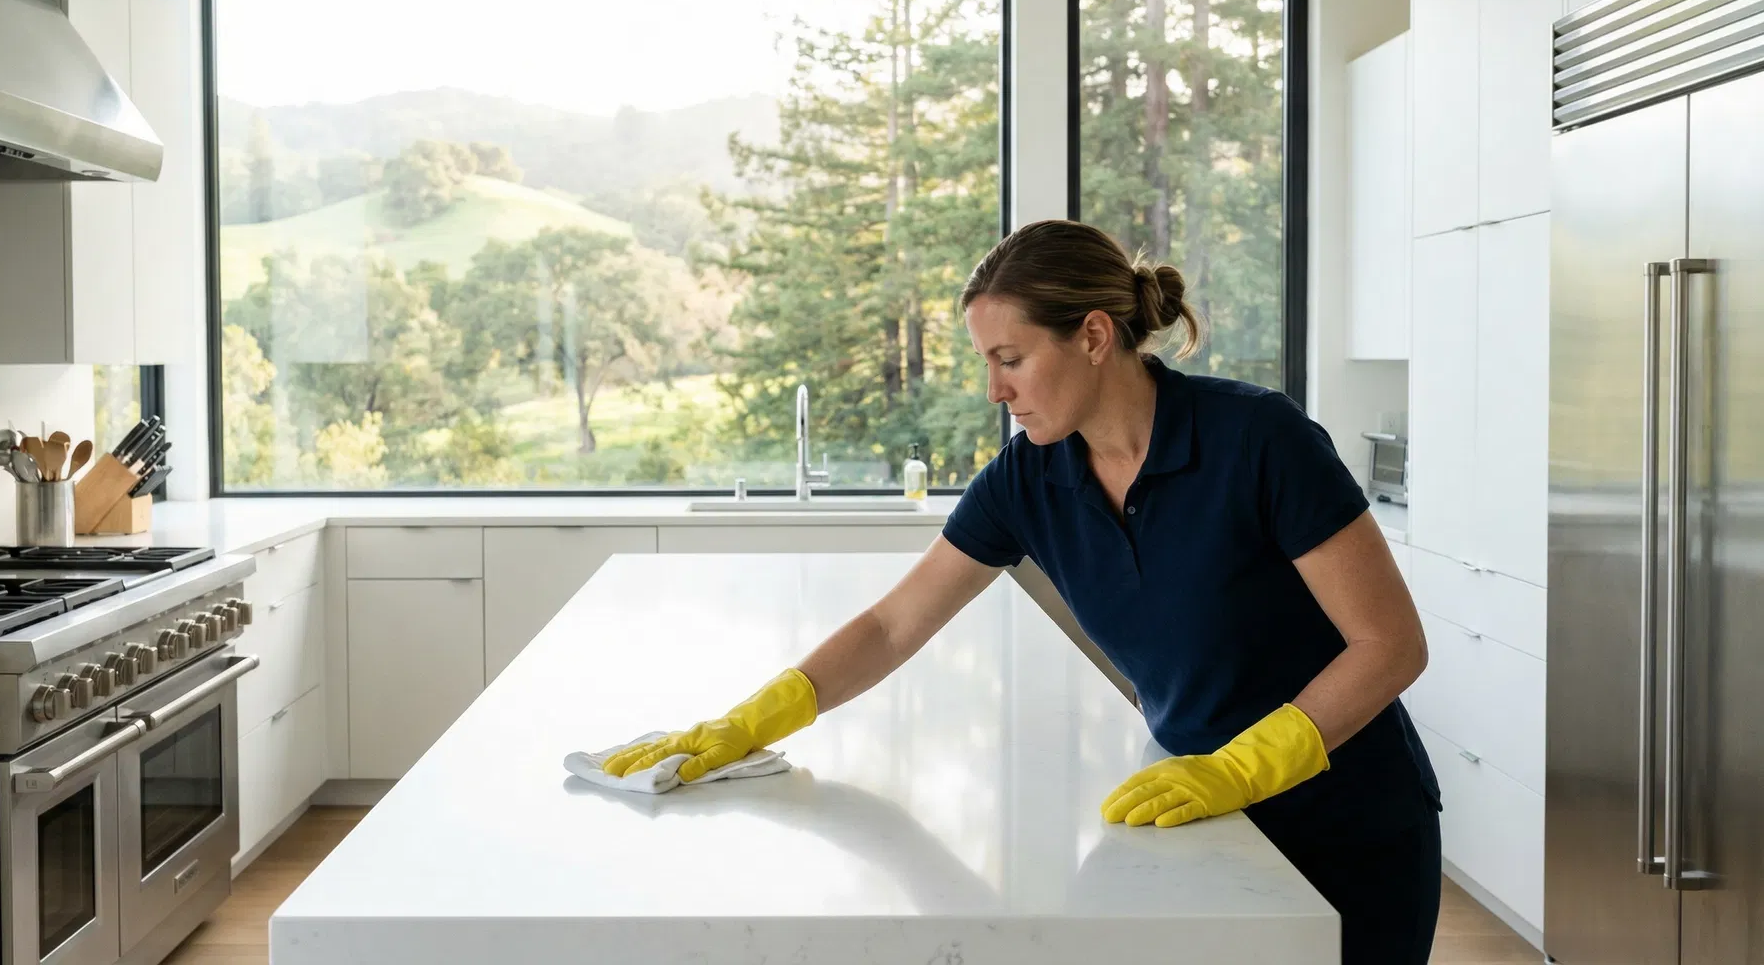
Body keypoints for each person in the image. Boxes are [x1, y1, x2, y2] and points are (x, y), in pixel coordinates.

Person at [600, 218, 1443, 963]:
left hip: (1348, 828)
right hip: (1190, 820)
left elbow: (1391, 645)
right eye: (987, 364)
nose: (995, 392)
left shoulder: (1258, 440)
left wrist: (1248, 765)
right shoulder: (1028, 478)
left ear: (1093, 336)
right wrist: (748, 721)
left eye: (1010, 360)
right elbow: (896, 624)